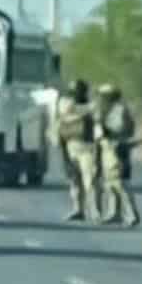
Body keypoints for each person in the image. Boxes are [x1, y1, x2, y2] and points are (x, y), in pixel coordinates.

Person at [94, 83, 141, 227]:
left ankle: (132, 214)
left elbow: (120, 129)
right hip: (107, 148)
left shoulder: (119, 110)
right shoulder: (103, 110)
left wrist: (104, 128)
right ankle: (115, 213)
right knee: (110, 183)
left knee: (121, 182)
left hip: (117, 148)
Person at [52, 79, 99, 222]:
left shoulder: (90, 108)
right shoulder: (68, 105)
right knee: (74, 181)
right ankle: (78, 209)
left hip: (87, 147)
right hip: (70, 146)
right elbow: (62, 120)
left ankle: (95, 210)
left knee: (89, 181)